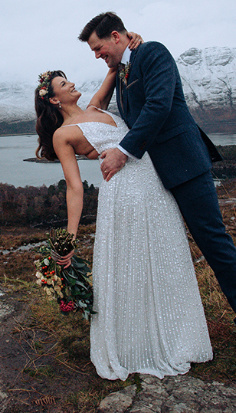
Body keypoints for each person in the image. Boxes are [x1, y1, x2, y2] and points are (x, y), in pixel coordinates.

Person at [77, 11, 236, 386]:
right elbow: (119, 113)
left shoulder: (154, 54)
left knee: (215, 246)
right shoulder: (124, 72)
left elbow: (159, 106)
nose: (98, 57)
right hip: (151, 180)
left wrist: (122, 151)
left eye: (99, 49)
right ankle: (163, 332)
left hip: (184, 167)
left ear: (116, 36)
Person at [35, 46, 213, 380]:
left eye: (68, 79)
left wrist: (132, 42)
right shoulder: (63, 135)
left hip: (154, 182)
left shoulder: (96, 106)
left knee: (166, 255)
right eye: (63, 84)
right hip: (124, 193)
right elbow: (74, 188)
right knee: (132, 264)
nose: (71, 83)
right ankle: (133, 345)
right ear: (55, 100)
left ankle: (178, 336)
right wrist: (69, 239)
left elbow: (116, 69)